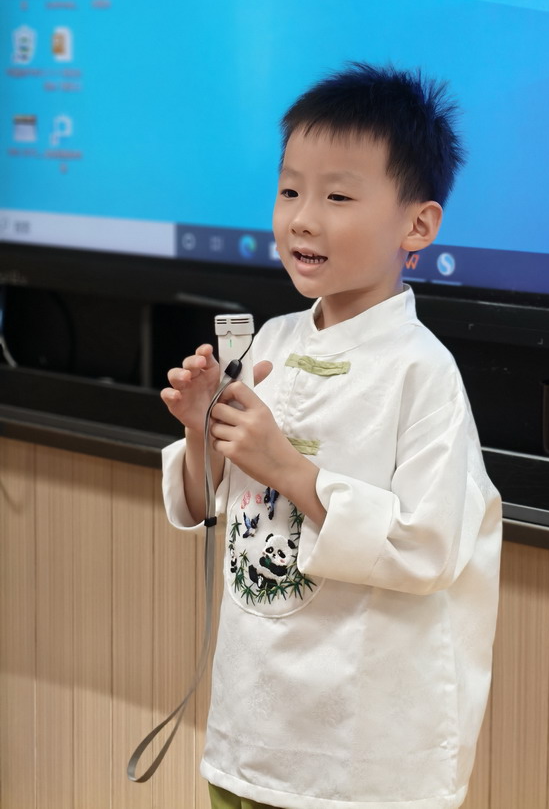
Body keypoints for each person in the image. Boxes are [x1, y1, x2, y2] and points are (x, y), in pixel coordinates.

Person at [161, 62, 503, 809]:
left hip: (358, 761)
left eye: (338, 197)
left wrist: (289, 468)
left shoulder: (422, 372)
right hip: (249, 734)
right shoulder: (271, 342)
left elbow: (426, 548)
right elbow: (207, 504)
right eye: (290, 191)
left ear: (418, 226)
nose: (302, 219)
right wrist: (201, 434)